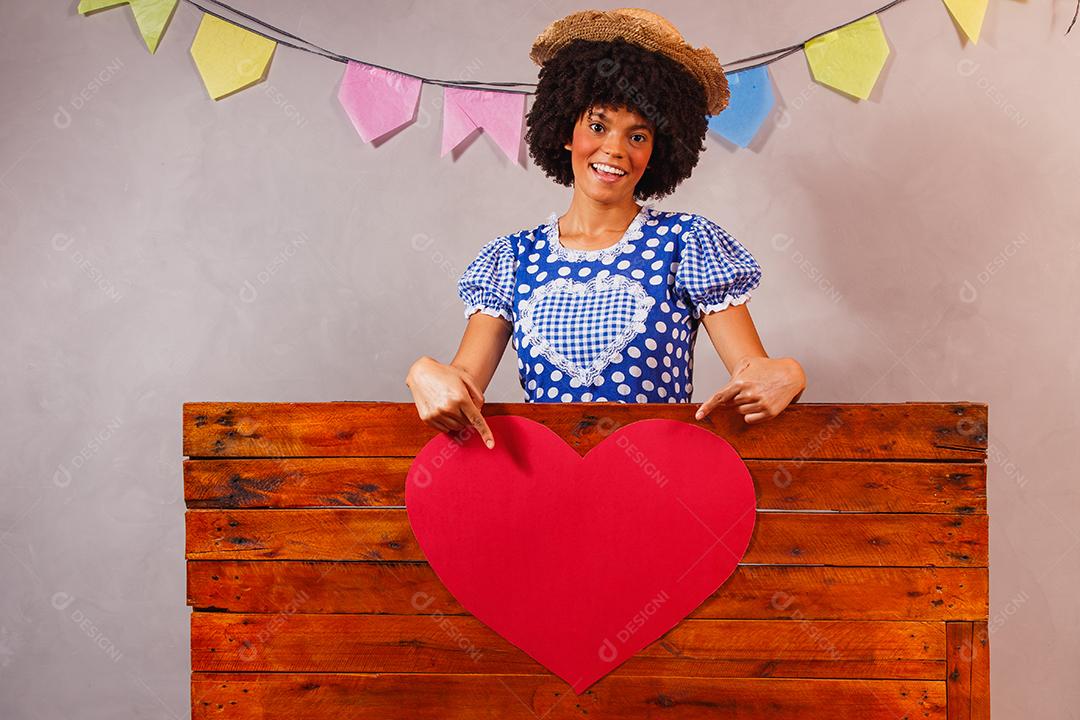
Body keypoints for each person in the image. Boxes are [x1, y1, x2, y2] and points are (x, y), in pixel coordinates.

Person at [406, 8, 806, 448]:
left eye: (637, 136)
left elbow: (753, 368)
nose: (614, 149)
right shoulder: (512, 258)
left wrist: (788, 373)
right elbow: (463, 379)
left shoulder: (686, 243)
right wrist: (425, 373)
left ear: (657, 152)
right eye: (598, 126)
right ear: (565, 132)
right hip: (551, 484)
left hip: (662, 483)